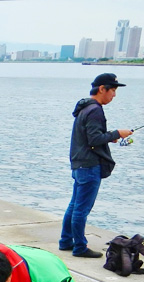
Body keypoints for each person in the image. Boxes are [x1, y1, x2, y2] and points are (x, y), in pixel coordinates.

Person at [59, 73, 133, 258]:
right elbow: (94, 138)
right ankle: (80, 247)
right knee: (81, 209)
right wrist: (118, 132)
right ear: (102, 89)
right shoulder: (95, 110)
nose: (114, 95)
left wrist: (110, 137)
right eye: (113, 90)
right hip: (90, 166)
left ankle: (66, 241)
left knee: (74, 205)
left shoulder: (85, 108)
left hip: (79, 164)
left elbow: (91, 137)